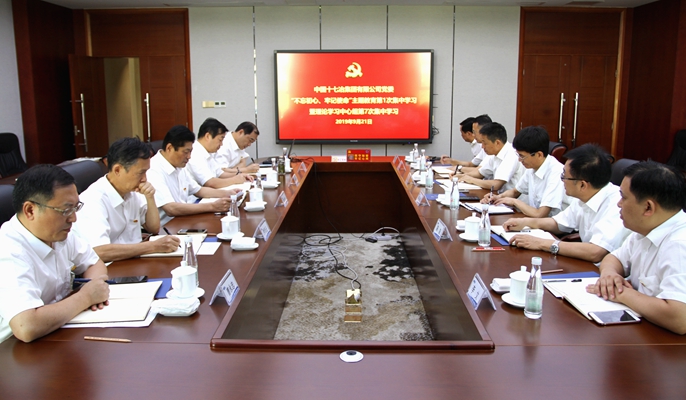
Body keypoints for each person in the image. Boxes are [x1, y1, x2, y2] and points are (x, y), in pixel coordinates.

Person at [0, 165, 110, 343]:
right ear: (30, 210)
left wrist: (94, 287)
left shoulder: (57, 232)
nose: (73, 218)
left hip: (57, 330)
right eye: (65, 210)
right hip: (12, 348)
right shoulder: (8, 251)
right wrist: (86, 297)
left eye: (75, 208)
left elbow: (93, 262)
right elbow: (26, 326)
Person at [588, 161, 686, 334]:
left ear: (648, 207)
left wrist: (620, 293)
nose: (618, 204)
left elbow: (679, 318)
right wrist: (609, 275)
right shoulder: (647, 228)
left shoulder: (679, 244)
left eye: (624, 197)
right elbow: (613, 258)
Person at [503, 144, 630, 263]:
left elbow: (596, 252)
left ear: (582, 185)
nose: (562, 180)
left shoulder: (616, 205)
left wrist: (542, 243)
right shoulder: (585, 196)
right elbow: (559, 223)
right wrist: (526, 222)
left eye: (564, 176)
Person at [73, 138, 180, 262]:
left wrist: (150, 198)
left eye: (146, 172)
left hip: (133, 261)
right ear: (117, 170)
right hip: (111, 267)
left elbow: (153, 228)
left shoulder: (132, 191)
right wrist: (152, 246)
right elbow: (99, 251)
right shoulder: (93, 200)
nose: (145, 179)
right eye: (141, 173)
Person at [146, 125, 242, 226]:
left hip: (183, 220)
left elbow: (198, 190)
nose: (189, 157)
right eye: (185, 152)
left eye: (190, 151)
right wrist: (213, 206)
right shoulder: (153, 169)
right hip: (167, 227)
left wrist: (228, 193)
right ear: (169, 148)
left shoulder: (179, 165)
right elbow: (171, 208)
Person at [482, 126, 568, 217]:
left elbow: (540, 214)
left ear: (539, 155)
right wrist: (497, 198)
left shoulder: (556, 173)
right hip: (536, 220)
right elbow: (515, 192)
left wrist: (514, 202)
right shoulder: (532, 167)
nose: (519, 160)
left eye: (522, 156)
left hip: (553, 223)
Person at [455, 122, 524, 191]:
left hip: (511, 197)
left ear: (497, 143)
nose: (482, 147)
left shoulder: (511, 154)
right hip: (499, 195)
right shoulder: (494, 153)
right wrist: (462, 176)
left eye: (485, 143)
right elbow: (480, 173)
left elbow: (496, 185)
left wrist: (471, 180)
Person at [186, 118, 254, 189]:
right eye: (220, 140)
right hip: (198, 195)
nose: (221, 144)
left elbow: (220, 174)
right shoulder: (195, 153)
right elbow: (210, 183)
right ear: (208, 136)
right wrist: (234, 180)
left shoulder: (208, 152)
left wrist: (240, 175)